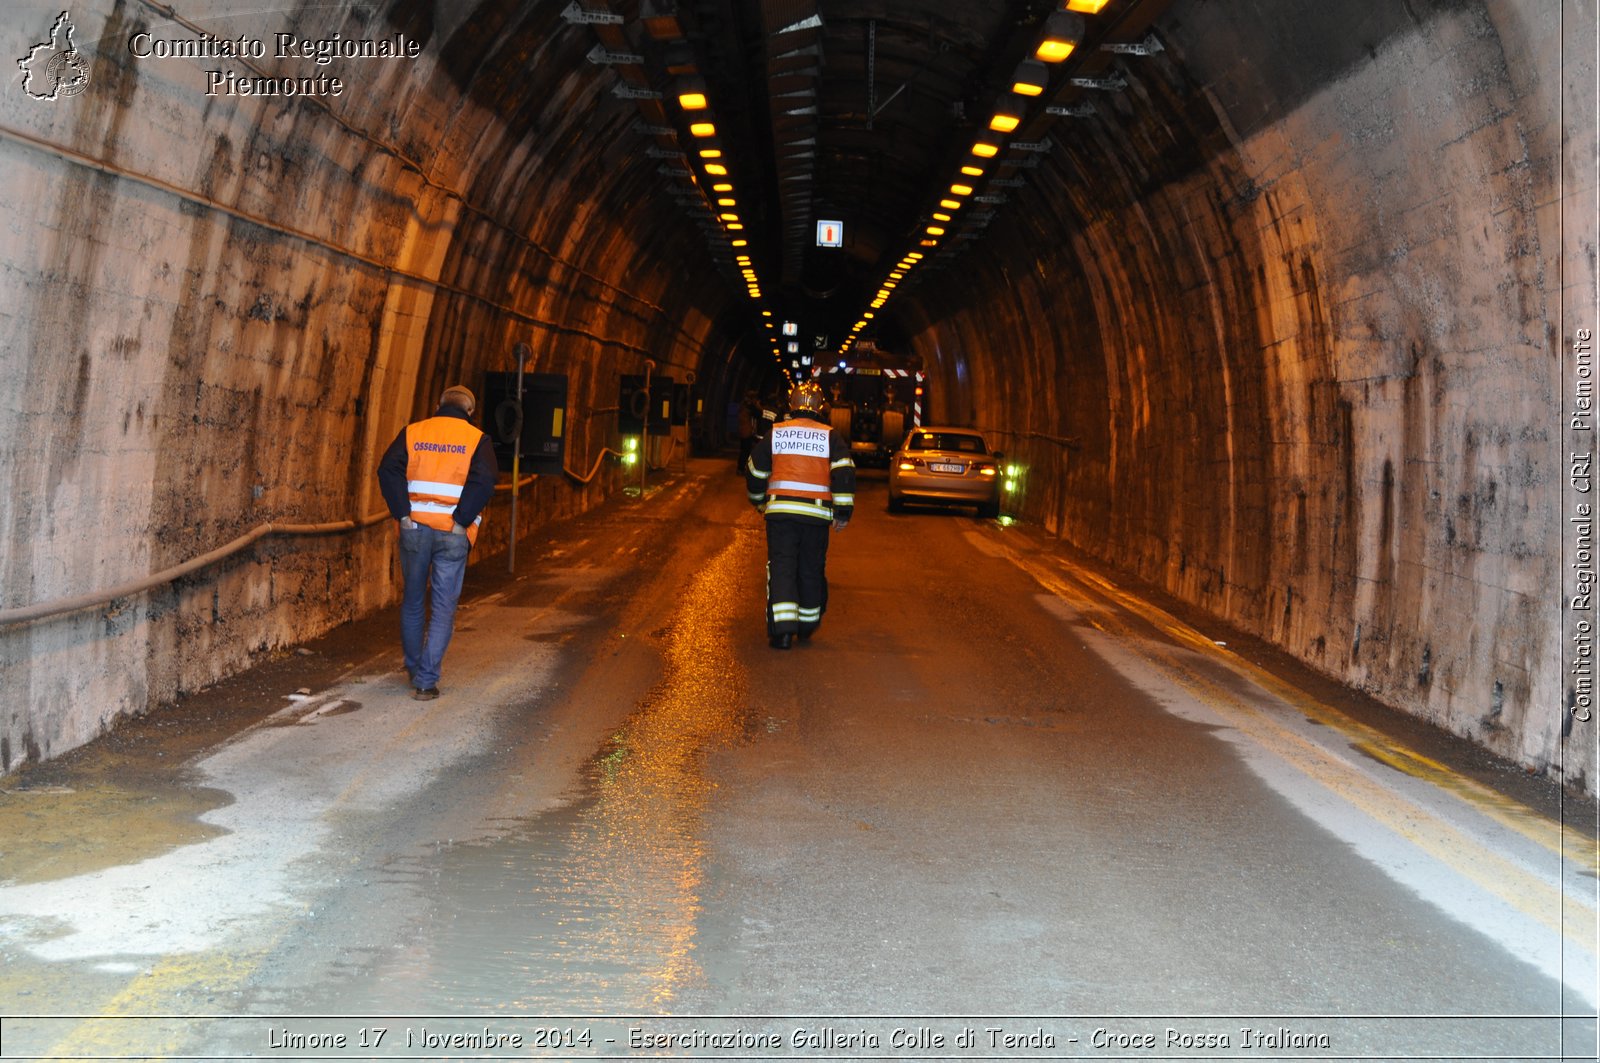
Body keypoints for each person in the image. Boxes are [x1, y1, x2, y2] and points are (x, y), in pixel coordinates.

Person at [377, 384, 498, 699]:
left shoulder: (414, 432)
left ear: (438, 404)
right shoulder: (477, 439)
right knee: (444, 607)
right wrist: (461, 520)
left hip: (415, 529)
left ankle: (415, 669)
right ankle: (426, 682)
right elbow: (485, 480)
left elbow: (387, 469)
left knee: (414, 600)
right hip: (452, 534)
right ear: (470, 411)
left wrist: (403, 514)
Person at [745, 381, 855, 649]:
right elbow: (843, 474)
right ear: (822, 407)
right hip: (816, 517)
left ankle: (782, 632)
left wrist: (759, 501)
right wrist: (842, 513)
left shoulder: (777, 433)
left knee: (782, 567)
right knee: (810, 568)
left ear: (791, 405)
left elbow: (755, 470)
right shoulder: (831, 436)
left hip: (781, 515)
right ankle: (807, 625)